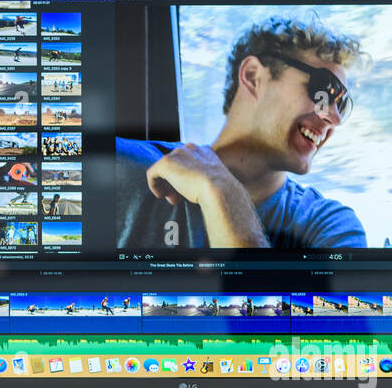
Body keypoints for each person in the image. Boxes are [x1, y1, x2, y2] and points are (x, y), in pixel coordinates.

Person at [116, 15, 369, 249]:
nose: (334, 118)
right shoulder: (121, 169)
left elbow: (257, 299)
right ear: (252, 76)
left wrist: (224, 189)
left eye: (342, 105)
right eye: (324, 89)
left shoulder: (330, 228)